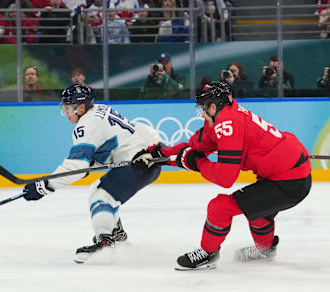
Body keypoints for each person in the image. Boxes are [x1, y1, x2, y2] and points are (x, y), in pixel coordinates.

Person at [132, 81, 312, 270]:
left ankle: (208, 253)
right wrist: (158, 155)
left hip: (291, 180)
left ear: (213, 106)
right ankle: (265, 249)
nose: (201, 113)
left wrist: (193, 161)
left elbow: (225, 178)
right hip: (285, 168)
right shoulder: (221, 117)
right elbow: (193, 148)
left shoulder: (227, 124)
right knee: (257, 210)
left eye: (203, 108)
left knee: (220, 208)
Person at [23, 84, 162, 263]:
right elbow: (110, 145)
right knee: (100, 190)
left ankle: (105, 243)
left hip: (137, 164)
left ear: (80, 107)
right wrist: (90, 163)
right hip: (144, 159)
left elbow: (75, 166)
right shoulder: (99, 110)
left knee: (101, 197)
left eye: (68, 107)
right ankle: (116, 234)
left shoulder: (87, 125)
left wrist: (44, 185)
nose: (66, 112)